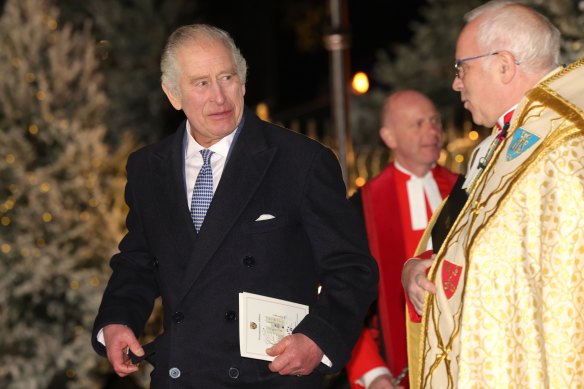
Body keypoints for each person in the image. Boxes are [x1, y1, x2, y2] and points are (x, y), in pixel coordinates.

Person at [91, 24, 378, 388]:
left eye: (226, 77)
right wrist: (117, 319)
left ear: (243, 81)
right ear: (172, 94)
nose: (219, 97)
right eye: (201, 83)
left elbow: (353, 269)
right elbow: (139, 261)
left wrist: (318, 337)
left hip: (271, 378)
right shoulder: (148, 168)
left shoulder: (301, 162)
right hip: (183, 377)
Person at [402, 1, 584, 387]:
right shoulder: (495, 145)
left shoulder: (569, 142)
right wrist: (419, 267)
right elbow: (470, 237)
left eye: (461, 68)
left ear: (503, 64)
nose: (456, 84)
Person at [345, 90, 459, 389]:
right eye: (417, 123)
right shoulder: (363, 208)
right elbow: (345, 295)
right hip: (393, 370)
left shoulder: (464, 192)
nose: (432, 130)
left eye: (434, 120)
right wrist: (373, 373)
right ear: (389, 137)